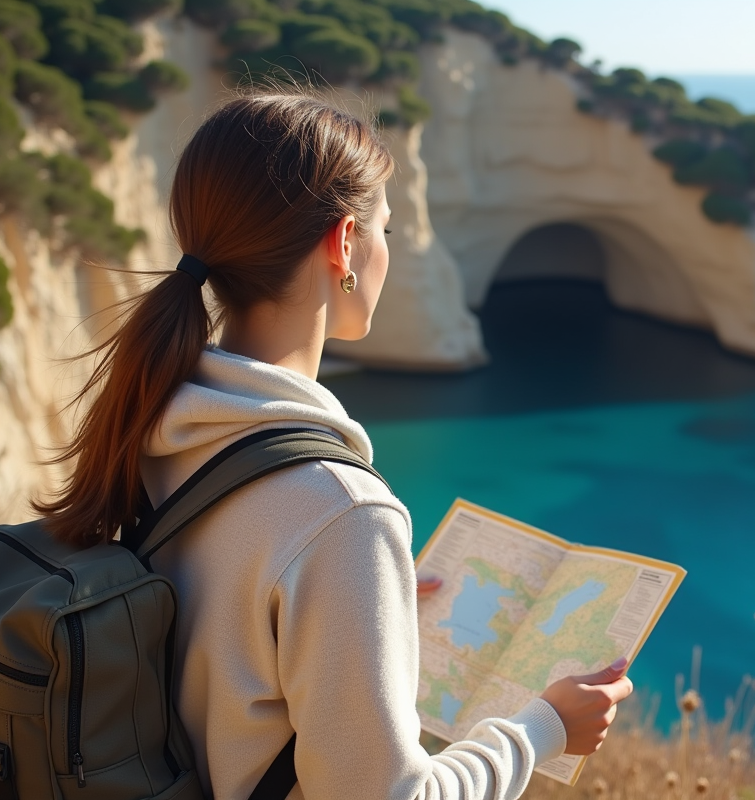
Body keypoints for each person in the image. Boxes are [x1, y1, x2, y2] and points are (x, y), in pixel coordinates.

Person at [35, 90, 634, 799]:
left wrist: (366, 605)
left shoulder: (152, 421)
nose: (390, 251)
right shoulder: (340, 512)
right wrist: (543, 728)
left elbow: (221, 631)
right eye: (385, 227)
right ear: (344, 244)